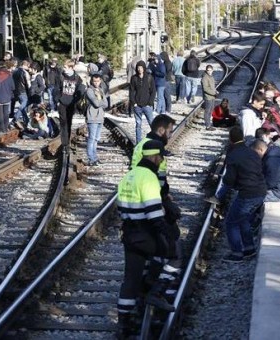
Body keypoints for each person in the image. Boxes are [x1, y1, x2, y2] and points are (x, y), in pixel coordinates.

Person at [116, 140, 177, 339]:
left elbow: (120, 207)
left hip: (129, 233)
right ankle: (156, 293)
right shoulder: (149, 178)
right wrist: (167, 234)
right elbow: (153, 214)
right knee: (174, 257)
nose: (162, 160)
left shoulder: (129, 175)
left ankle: (124, 323)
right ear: (153, 157)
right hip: (145, 232)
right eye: (161, 156)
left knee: (131, 278)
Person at [208, 126, 266, 263]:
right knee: (243, 219)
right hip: (260, 191)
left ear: (230, 139)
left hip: (248, 194)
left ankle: (237, 253)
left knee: (231, 222)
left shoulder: (233, 155)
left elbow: (229, 179)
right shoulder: (251, 151)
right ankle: (249, 248)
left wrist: (225, 189)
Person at [54, 59, 85, 147]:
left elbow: (80, 90)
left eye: (65, 67)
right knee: (63, 122)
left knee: (69, 122)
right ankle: (64, 143)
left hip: (71, 103)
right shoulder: (60, 76)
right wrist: (57, 100)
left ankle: (67, 140)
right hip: (62, 103)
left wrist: (76, 100)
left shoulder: (77, 78)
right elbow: (56, 90)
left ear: (71, 68)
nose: (63, 69)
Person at [254, 129, 280, 202]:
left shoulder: (271, 159)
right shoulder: (270, 155)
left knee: (246, 196)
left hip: (277, 193)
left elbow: (271, 183)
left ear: (260, 150)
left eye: (255, 152)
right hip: (277, 189)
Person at [129, 60, 156, 144]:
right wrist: (134, 103)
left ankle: (156, 141)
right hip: (137, 106)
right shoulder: (134, 78)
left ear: (144, 68)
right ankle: (138, 143)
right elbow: (131, 91)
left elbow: (153, 91)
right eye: (138, 68)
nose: (139, 69)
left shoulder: (149, 78)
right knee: (138, 125)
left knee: (152, 124)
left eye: (141, 68)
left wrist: (150, 103)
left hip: (147, 106)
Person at [84, 74, 108, 166]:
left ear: (100, 81)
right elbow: (96, 103)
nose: (96, 83)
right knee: (92, 138)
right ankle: (91, 158)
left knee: (96, 139)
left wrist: (100, 102)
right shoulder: (89, 90)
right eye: (94, 81)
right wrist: (101, 102)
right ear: (91, 81)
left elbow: (106, 104)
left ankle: (95, 157)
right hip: (92, 117)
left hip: (100, 117)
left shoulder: (101, 90)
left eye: (98, 81)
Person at [0, 61, 16, 133]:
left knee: (0, 114)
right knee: (6, 113)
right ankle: (5, 128)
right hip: (7, 97)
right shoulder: (9, 76)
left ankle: (1, 128)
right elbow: (13, 87)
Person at [13, 60, 31, 124]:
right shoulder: (24, 72)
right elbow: (27, 83)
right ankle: (16, 117)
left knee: (23, 106)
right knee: (23, 105)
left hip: (16, 91)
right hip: (23, 91)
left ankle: (26, 120)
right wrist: (29, 91)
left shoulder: (14, 71)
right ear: (26, 65)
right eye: (28, 66)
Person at [201, 65, 218, 131]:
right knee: (207, 111)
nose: (209, 71)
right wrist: (214, 93)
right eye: (208, 70)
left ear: (212, 70)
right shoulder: (205, 78)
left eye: (210, 70)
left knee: (211, 110)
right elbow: (205, 89)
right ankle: (207, 126)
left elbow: (212, 87)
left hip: (212, 96)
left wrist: (215, 91)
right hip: (208, 97)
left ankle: (208, 123)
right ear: (206, 70)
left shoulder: (211, 77)